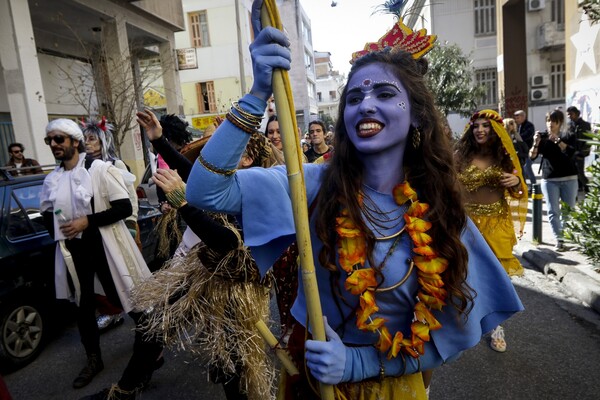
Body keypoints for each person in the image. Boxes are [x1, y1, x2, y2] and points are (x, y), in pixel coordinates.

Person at [185, 3, 523, 398]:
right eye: (353, 97)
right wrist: (258, 94)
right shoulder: (311, 183)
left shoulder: (440, 209)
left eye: (383, 93)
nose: (365, 104)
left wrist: (358, 363)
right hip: (314, 387)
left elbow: (445, 338)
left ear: (415, 115)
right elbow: (205, 191)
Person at [132, 108, 283, 399]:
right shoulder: (227, 180)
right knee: (155, 328)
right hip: (208, 276)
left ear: (247, 158)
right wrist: (159, 139)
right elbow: (194, 175)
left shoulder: (257, 187)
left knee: (234, 363)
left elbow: (227, 241)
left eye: (223, 150)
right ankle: (124, 390)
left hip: (236, 290)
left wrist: (182, 202)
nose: (211, 157)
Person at [39, 119, 162, 397]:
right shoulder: (52, 179)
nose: (54, 145)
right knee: (83, 308)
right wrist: (60, 230)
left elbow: (122, 207)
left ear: (74, 141)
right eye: (50, 141)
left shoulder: (100, 170)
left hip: (107, 250)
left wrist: (86, 222)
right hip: (75, 254)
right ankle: (94, 359)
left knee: (130, 302)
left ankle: (150, 351)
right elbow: (48, 214)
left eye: (59, 139)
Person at [456, 110, 528, 352]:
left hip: (497, 224)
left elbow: (519, 193)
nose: (480, 130)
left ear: (495, 130)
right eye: (476, 126)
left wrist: (516, 183)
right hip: (466, 225)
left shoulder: (504, 157)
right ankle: (467, 320)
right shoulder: (461, 157)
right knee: (465, 273)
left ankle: (496, 326)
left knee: (497, 277)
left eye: (486, 125)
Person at [82, 117, 140, 332]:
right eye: (85, 139)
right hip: (94, 232)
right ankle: (112, 312)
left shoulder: (115, 165)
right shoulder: (81, 166)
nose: (87, 143)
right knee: (103, 279)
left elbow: (130, 198)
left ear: (102, 141)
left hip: (118, 227)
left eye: (92, 139)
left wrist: (132, 223)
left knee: (125, 274)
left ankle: (142, 316)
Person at [530, 109, 579, 252]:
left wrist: (557, 140)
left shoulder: (568, 135)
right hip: (550, 179)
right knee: (553, 211)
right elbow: (532, 156)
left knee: (568, 211)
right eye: (548, 120)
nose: (550, 124)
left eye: (553, 121)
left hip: (569, 178)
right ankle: (560, 239)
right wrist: (535, 142)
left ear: (560, 123)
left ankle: (565, 235)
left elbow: (571, 152)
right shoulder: (543, 139)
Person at [566, 106, 593, 193]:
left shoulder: (585, 125)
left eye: (571, 114)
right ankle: (578, 188)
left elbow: (589, 140)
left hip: (580, 153)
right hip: (570, 152)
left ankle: (588, 189)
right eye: (568, 115)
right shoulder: (569, 125)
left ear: (577, 114)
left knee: (580, 173)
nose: (569, 116)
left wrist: (582, 153)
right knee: (572, 173)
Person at [514, 110, 537, 190]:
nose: (516, 119)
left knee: (527, 168)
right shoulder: (518, 126)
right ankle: (527, 187)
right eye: (515, 118)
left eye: (518, 117)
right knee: (524, 169)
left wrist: (517, 137)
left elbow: (526, 136)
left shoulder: (529, 126)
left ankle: (534, 186)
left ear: (523, 117)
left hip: (529, 151)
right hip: (522, 152)